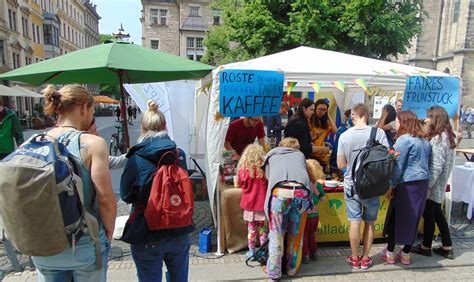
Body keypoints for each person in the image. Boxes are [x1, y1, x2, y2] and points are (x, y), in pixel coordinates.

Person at [32, 85, 116, 281]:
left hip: (43, 246)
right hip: (84, 244)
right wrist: (106, 236)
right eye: (92, 110)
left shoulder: (34, 142)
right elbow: (105, 199)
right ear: (83, 108)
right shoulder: (92, 144)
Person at [120, 101, 193, 282]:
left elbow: (126, 195)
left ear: (143, 129)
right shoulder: (178, 154)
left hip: (146, 231)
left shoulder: (136, 158)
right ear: (165, 126)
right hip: (179, 229)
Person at [337, 103, 389, 270]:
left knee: (354, 222)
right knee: (370, 222)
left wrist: (350, 169)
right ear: (367, 115)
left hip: (352, 184)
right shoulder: (378, 133)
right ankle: (366, 258)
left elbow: (340, 164)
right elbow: (386, 158)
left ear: (353, 116)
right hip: (372, 185)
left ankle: (354, 258)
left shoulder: (344, 136)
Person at [381, 111, 431, 265]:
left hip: (407, 183)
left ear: (403, 122)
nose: (395, 124)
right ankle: (406, 253)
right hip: (422, 184)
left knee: (397, 217)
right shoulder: (425, 141)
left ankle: (390, 252)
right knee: (414, 218)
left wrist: (390, 186)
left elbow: (397, 167)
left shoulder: (404, 140)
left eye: (396, 121)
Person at [263, 137, 312, 279]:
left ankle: (274, 271)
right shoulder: (300, 155)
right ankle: (291, 269)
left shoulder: (272, 154)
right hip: (300, 193)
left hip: (280, 193)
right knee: (295, 234)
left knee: (276, 234)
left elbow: (268, 177)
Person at [412, 106, 456, 259]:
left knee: (432, 214)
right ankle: (443, 246)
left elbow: (436, 166)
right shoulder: (447, 136)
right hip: (438, 184)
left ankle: (430, 246)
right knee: (435, 214)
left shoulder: (439, 139)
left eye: (429, 117)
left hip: (434, 185)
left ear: (436, 119)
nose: (426, 120)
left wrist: (427, 186)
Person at [237, 144, 269, 259]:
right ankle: (263, 251)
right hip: (262, 204)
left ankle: (251, 251)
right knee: (263, 229)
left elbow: (239, 183)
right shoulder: (264, 169)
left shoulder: (243, 170)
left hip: (249, 205)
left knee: (251, 229)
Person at [302, 159, 326, 264]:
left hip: (306, 215)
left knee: (304, 235)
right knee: (311, 235)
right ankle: (314, 252)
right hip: (315, 215)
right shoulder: (319, 185)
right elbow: (323, 199)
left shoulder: (304, 184)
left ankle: (305, 254)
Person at [310, 99, 337, 167]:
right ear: (315, 108)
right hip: (311, 155)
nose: (322, 112)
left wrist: (328, 115)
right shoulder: (310, 121)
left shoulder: (325, 122)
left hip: (322, 156)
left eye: (324, 110)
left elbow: (335, 130)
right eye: (320, 109)